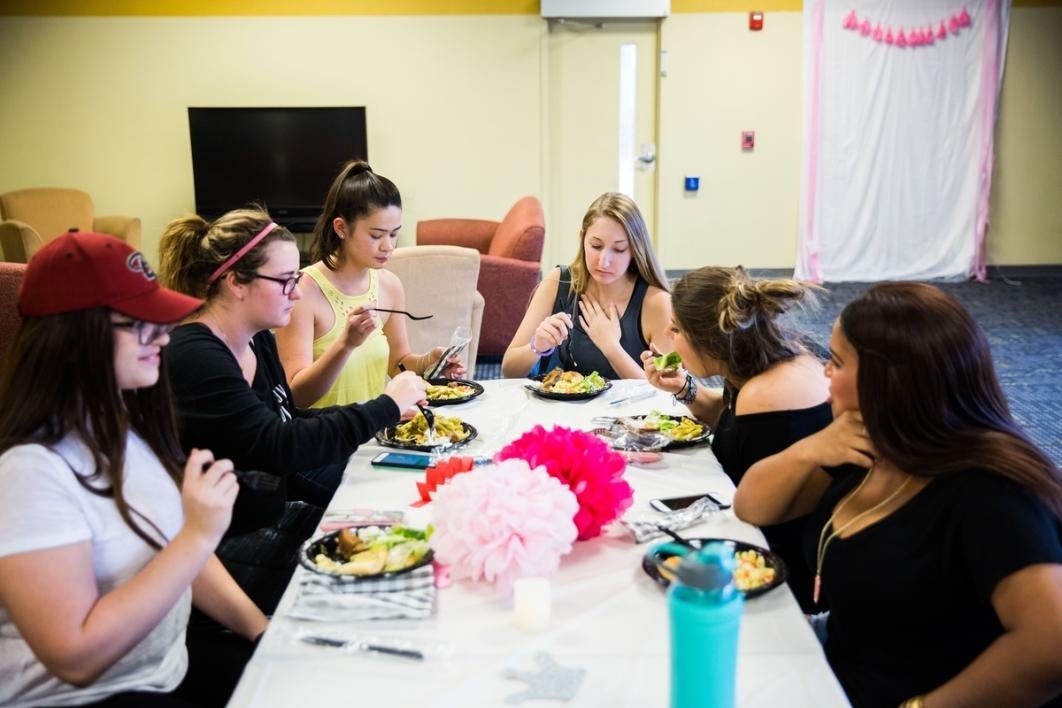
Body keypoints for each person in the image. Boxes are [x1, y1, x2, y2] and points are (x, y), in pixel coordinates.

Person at [733, 283, 1062, 708]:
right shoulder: (870, 443)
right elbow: (751, 505)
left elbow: (1050, 647)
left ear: (888, 380)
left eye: (835, 361)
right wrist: (808, 449)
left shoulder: (991, 493)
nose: (823, 371)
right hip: (847, 665)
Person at [0, 231, 267, 707]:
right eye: (140, 323)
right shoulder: (29, 474)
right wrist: (197, 536)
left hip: (166, 671)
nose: (163, 335)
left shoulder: (129, 429)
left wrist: (261, 631)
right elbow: (75, 658)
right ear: (77, 336)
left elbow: (183, 556)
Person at [158, 207, 426, 610]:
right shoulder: (196, 355)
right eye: (285, 281)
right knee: (386, 583)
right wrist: (384, 407)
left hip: (267, 513)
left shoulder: (256, 338)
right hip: (218, 546)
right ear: (235, 283)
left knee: (399, 529)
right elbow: (280, 446)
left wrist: (379, 415)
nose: (298, 293)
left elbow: (286, 418)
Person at [641, 265, 831, 611]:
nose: (668, 334)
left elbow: (750, 503)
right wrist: (686, 389)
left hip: (777, 572)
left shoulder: (766, 395)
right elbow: (730, 419)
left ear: (709, 341)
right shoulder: (765, 355)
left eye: (677, 329)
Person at [275, 160, 463, 408]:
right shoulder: (303, 292)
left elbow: (398, 364)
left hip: (377, 433)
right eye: (376, 235)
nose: (388, 246)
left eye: (394, 234)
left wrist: (431, 361)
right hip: (325, 439)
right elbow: (296, 396)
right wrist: (345, 344)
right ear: (341, 228)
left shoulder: (389, 285)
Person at [501, 192, 672, 380]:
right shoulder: (557, 282)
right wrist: (536, 346)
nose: (604, 261)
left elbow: (671, 390)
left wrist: (611, 347)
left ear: (635, 250)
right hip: (562, 408)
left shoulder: (658, 302)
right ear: (582, 239)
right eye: (596, 246)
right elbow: (509, 370)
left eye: (619, 249)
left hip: (631, 410)